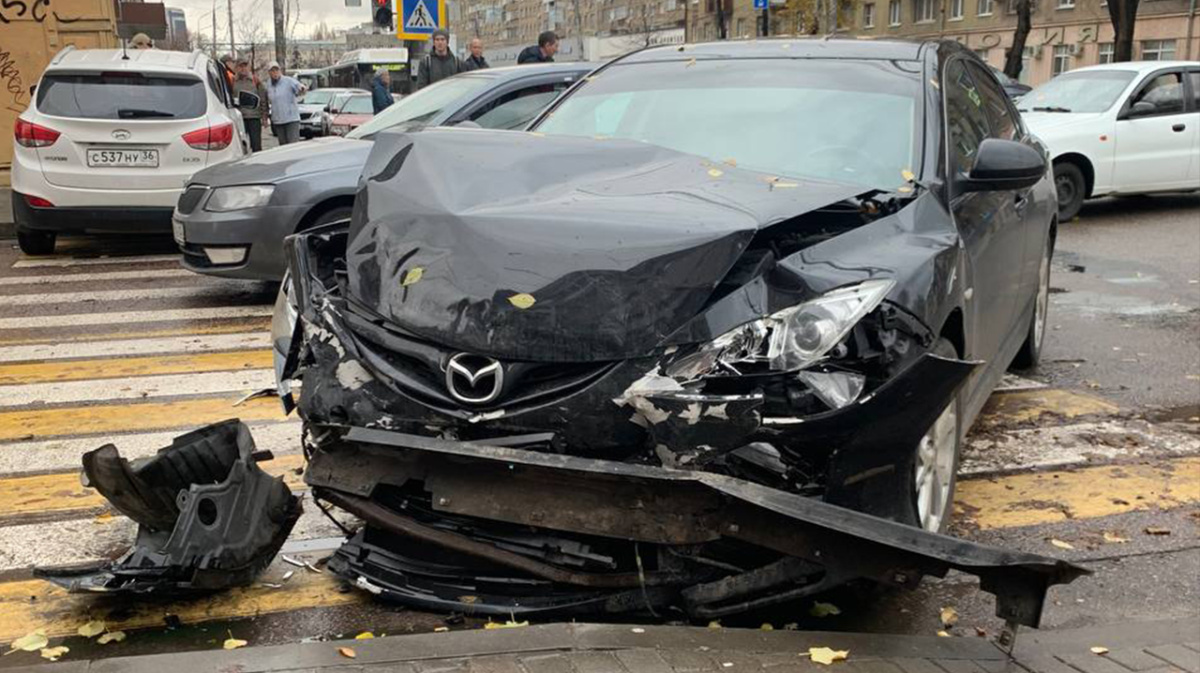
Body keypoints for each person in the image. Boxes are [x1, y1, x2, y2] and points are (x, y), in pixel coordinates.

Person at [265, 62, 306, 145]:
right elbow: (267, 100)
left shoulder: (288, 81)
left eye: (276, 70)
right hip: (278, 120)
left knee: (293, 145)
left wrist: (302, 88)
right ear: (269, 73)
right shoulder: (268, 84)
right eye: (272, 71)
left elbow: (299, 87)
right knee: (283, 146)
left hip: (291, 119)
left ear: (280, 71)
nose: (275, 73)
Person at [234, 59, 269, 152]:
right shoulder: (233, 81)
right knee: (241, 146)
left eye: (245, 66)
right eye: (241, 66)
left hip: (254, 117)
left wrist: (264, 117)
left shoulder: (255, 80)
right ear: (237, 68)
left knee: (256, 145)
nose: (243, 68)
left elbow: (263, 99)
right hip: (240, 119)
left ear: (249, 67)